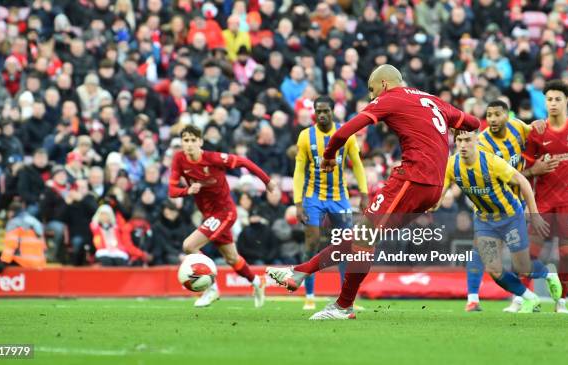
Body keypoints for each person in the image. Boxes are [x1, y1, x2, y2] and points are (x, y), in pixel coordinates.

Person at [267, 64, 481, 320]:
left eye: (372, 90)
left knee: (363, 237)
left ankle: (339, 303)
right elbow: (473, 122)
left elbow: (344, 132)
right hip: (433, 187)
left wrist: (328, 156)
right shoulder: (432, 99)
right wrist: (453, 128)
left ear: (385, 84)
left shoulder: (391, 98)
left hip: (413, 178)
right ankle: (304, 274)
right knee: (363, 239)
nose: (371, 97)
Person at [438, 130, 562, 313]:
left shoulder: (491, 162)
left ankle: (547, 273)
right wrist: (429, 204)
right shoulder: (451, 165)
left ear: (476, 141)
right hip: (485, 220)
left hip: (510, 216)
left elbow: (523, 182)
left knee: (521, 266)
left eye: (467, 140)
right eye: (459, 140)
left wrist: (534, 214)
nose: (463, 145)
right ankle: (530, 297)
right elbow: (438, 195)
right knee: (494, 270)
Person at [169, 125, 277, 308]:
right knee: (232, 259)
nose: (189, 144)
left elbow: (244, 162)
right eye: (185, 140)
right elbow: (171, 191)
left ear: (200, 142)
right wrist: (187, 190)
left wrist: (267, 181)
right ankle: (257, 282)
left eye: (193, 140)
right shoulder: (179, 159)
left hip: (225, 212)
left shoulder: (213, 158)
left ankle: (211, 289)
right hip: (210, 215)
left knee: (189, 246)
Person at [464, 100, 547, 312]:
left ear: (507, 116)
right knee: (482, 251)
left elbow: (533, 132)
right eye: (489, 115)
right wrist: (532, 172)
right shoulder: (482, 143)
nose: (492, 119)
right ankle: (473, 298)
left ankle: (526, 294)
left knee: (519, 259)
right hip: (489, 206)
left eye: (497, 114)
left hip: (515, 204)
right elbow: (497, 179)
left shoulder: (518, 127)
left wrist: (538, 124)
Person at [292, 95, 368, 310]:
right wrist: (298, 202)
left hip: (339, 198)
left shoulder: (346, 134)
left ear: (333, 111)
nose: (322, 115)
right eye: (319, 111)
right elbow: (299, 170)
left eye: (326, 111)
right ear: (314, 113)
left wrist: (363, 194)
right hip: (313, 197)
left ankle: (346, 298)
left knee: (347, 246)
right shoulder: (306, 137)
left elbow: (358, 165)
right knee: (312, 241)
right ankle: (309, 295)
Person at [522, 80, 568, 313]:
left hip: (567, 204)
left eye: (557, 99)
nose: (552, 103)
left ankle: (562, 301)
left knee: (567, 254)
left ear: (566, 100)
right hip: (542, 202)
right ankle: (523, 298)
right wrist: (526, 201)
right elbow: (524, 173)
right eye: (549, 99)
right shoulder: (537, 132)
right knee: (529, 252)